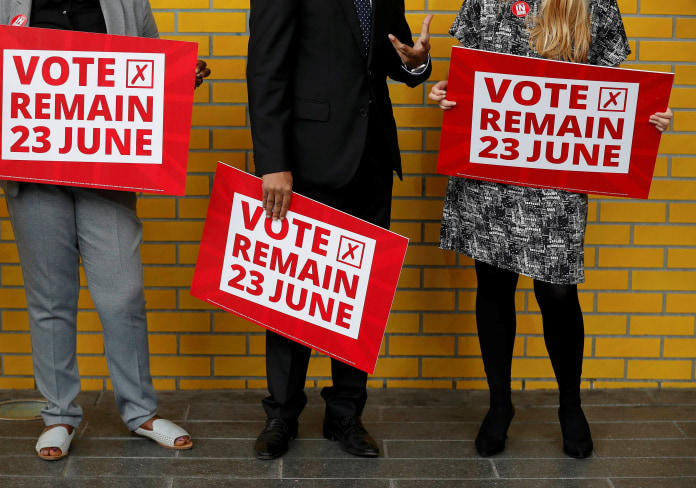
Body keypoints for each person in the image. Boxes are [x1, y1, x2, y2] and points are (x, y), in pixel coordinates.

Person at [0, 0, 210, 461]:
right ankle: (59, 415)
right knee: (51, 297)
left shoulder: (127, 2)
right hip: (32, 170)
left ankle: (141, 412)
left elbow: (150, 62)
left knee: (122, 294)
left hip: (109, 170)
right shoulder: (2, 3)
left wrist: (179, 77)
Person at [428, 0, 672, 459]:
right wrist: (447, 93)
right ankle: (499, 406)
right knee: (494, 282)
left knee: (556, 292)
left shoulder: (593, 3)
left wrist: (648, 119)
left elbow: (609, 93)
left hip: (555, 174)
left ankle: (570, 407)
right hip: (491, 165)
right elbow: (473, 74)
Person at [247, 0, 432, 460]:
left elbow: (395, 59)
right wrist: (274, 164)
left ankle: (345, 414)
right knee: (294, 287)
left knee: (359, 292)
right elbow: (265, 69)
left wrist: (417, 62)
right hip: (306, 160)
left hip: (371, 159)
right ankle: (282, 415)